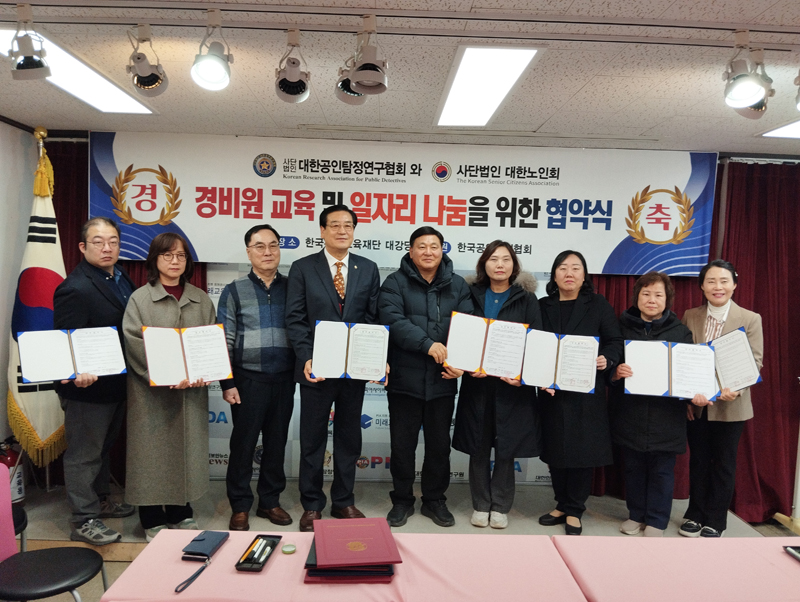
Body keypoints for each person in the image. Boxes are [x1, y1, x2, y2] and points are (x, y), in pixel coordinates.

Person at [286, 204, 381, 532]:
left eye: (348, 225)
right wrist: (306, 357)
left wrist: (372, 357)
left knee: (348, 437)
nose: (342, 231)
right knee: (312, 439)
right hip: (317, 369)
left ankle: (343, 500)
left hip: (353, 371)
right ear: (322, 230)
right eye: (335, 225)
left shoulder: (367, 268)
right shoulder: (303, 268)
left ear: (354, 230)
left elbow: (372, 318)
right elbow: (295, 318)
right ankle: (312, 504)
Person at [122, 233, 216, 541]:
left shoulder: (201, 299)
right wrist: (163, 374)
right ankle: (151, 517)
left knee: (185, 452)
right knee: (150, 455)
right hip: (150, 393)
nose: (175, 261)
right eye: (167, 255)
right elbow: (133, 342)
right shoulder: (140, 299)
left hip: (191, 393)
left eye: (181, 256)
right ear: (155, 259)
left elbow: (209, 343)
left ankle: (181, 512)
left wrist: (204, 371)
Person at [378, 226, 473, 528]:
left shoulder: (458, 285)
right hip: (404, 381)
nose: (428, 252)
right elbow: (393, 320)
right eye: (421, 246)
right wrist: (427, 344)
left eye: (434, 246)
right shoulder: (394, 282)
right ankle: (402, 500)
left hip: (442, 380)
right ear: (411, 251)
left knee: (439, 447)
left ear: (442, 250)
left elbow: (467, 326)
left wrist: (460, 362)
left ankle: (434, 500)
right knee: (402, 446)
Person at [53, 217, 136, 545]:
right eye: (98, 242)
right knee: (84, 455)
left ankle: (100, 501)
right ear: (83, 247)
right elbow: (66, 340)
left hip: (116, 383)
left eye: (113, 241)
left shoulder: (120, 276)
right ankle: (83, 519)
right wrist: (77, 371)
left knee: (102, 448)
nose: (107, 248)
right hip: (87, 389)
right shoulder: (75, 287)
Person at [452, 241, 542, 530]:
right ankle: (480, 504)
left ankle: (500, 506)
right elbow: (460, 335)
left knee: (506, 447)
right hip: (477, 385)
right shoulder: (470, 294)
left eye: (505, 259)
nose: (500, 264)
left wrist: (522, 375)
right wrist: (467, 365)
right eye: (493, 259)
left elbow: (537, 342)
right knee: (478, 445)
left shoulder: (527, 299)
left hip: (511, 387)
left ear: (514, 265)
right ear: (484, 264)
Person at [537, 250, 623, 535]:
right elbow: (534, 345)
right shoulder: (542, 306)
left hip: (586, 392)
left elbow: (614, 341)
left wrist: (607, 359)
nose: (569, 273)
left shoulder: (597, 304)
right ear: (554, 274)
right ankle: (561, 504)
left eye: (576, 267)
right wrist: (538, 377)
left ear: (584, 275)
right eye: (563, 267)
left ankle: (575, 509)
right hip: (551, 391)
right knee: (555, 449)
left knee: (581, 452)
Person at [218, 224, 295, 531]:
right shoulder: (234, 290)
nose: (267, 252)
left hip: (284, 379)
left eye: (273, 245)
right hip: (247, 380)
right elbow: (224, 339)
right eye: (259, 246)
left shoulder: (293, 287)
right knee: (243, 445)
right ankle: (240, 505)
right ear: (248, 252)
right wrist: (227, 383)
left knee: (276, 444)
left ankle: (269, 502)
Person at [678, 259, 763, 538]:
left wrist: (736, 388)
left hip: (731, 406)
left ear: (734, 284)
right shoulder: (691, 315)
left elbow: (755, 361)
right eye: (711, 281)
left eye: (724, 281)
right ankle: (695, 514)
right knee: (699, 461)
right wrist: (687, 399)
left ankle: (716, 520)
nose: (718, 286)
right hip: (698, 405)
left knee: (724, 464)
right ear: (702, 286)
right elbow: (684, 358)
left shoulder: (750, 318)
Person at [609, 272, 693, 537]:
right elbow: (608, 365)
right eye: (646, 294)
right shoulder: (620, 328)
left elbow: (688, 373)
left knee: (662, 471)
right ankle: (636, 515)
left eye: (658, 295)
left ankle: (657, 519)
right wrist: (615, 372)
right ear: (637, 297)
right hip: (629, 412)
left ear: (667, 299)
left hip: (666, 416)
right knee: (633, 468)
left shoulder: (680, 332)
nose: (652, 300)